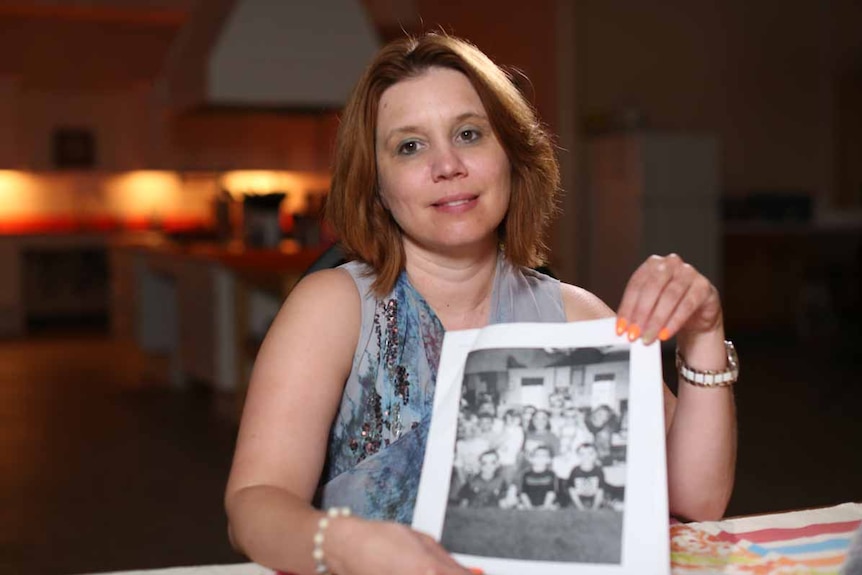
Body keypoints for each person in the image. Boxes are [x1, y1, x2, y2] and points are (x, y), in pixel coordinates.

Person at [224, 32, 737, 575]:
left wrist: (704, 334)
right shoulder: (333, 308)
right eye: (410, 146)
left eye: (469, 134)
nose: (448, 165)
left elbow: (695, 501)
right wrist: (346, 546)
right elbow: (253, 506)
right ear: (376, 185)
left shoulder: (578, 317)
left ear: (511, 157)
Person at [518, 444, 560, 510]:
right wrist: (529, 507)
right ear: (531, 459)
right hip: (529, 503)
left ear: (549, 460)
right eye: (537, 455)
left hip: (546, 504)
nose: (540, 458)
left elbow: (551, 492)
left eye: (544, 456)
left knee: (554, 507)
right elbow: (523, 493)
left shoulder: (551, 474)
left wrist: (545, 507)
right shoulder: (526, 474)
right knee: (520, 507)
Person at [566, 443, 606, 511]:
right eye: (582, 454)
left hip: (594, 500)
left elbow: (600, 491)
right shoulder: (575, 471)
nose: (586, 457)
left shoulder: (599, 471)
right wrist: (580, 507)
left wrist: (595, 507)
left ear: (596, 455)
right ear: (578, 456)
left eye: (590, 453)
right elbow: (572, 490)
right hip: (578, 501)